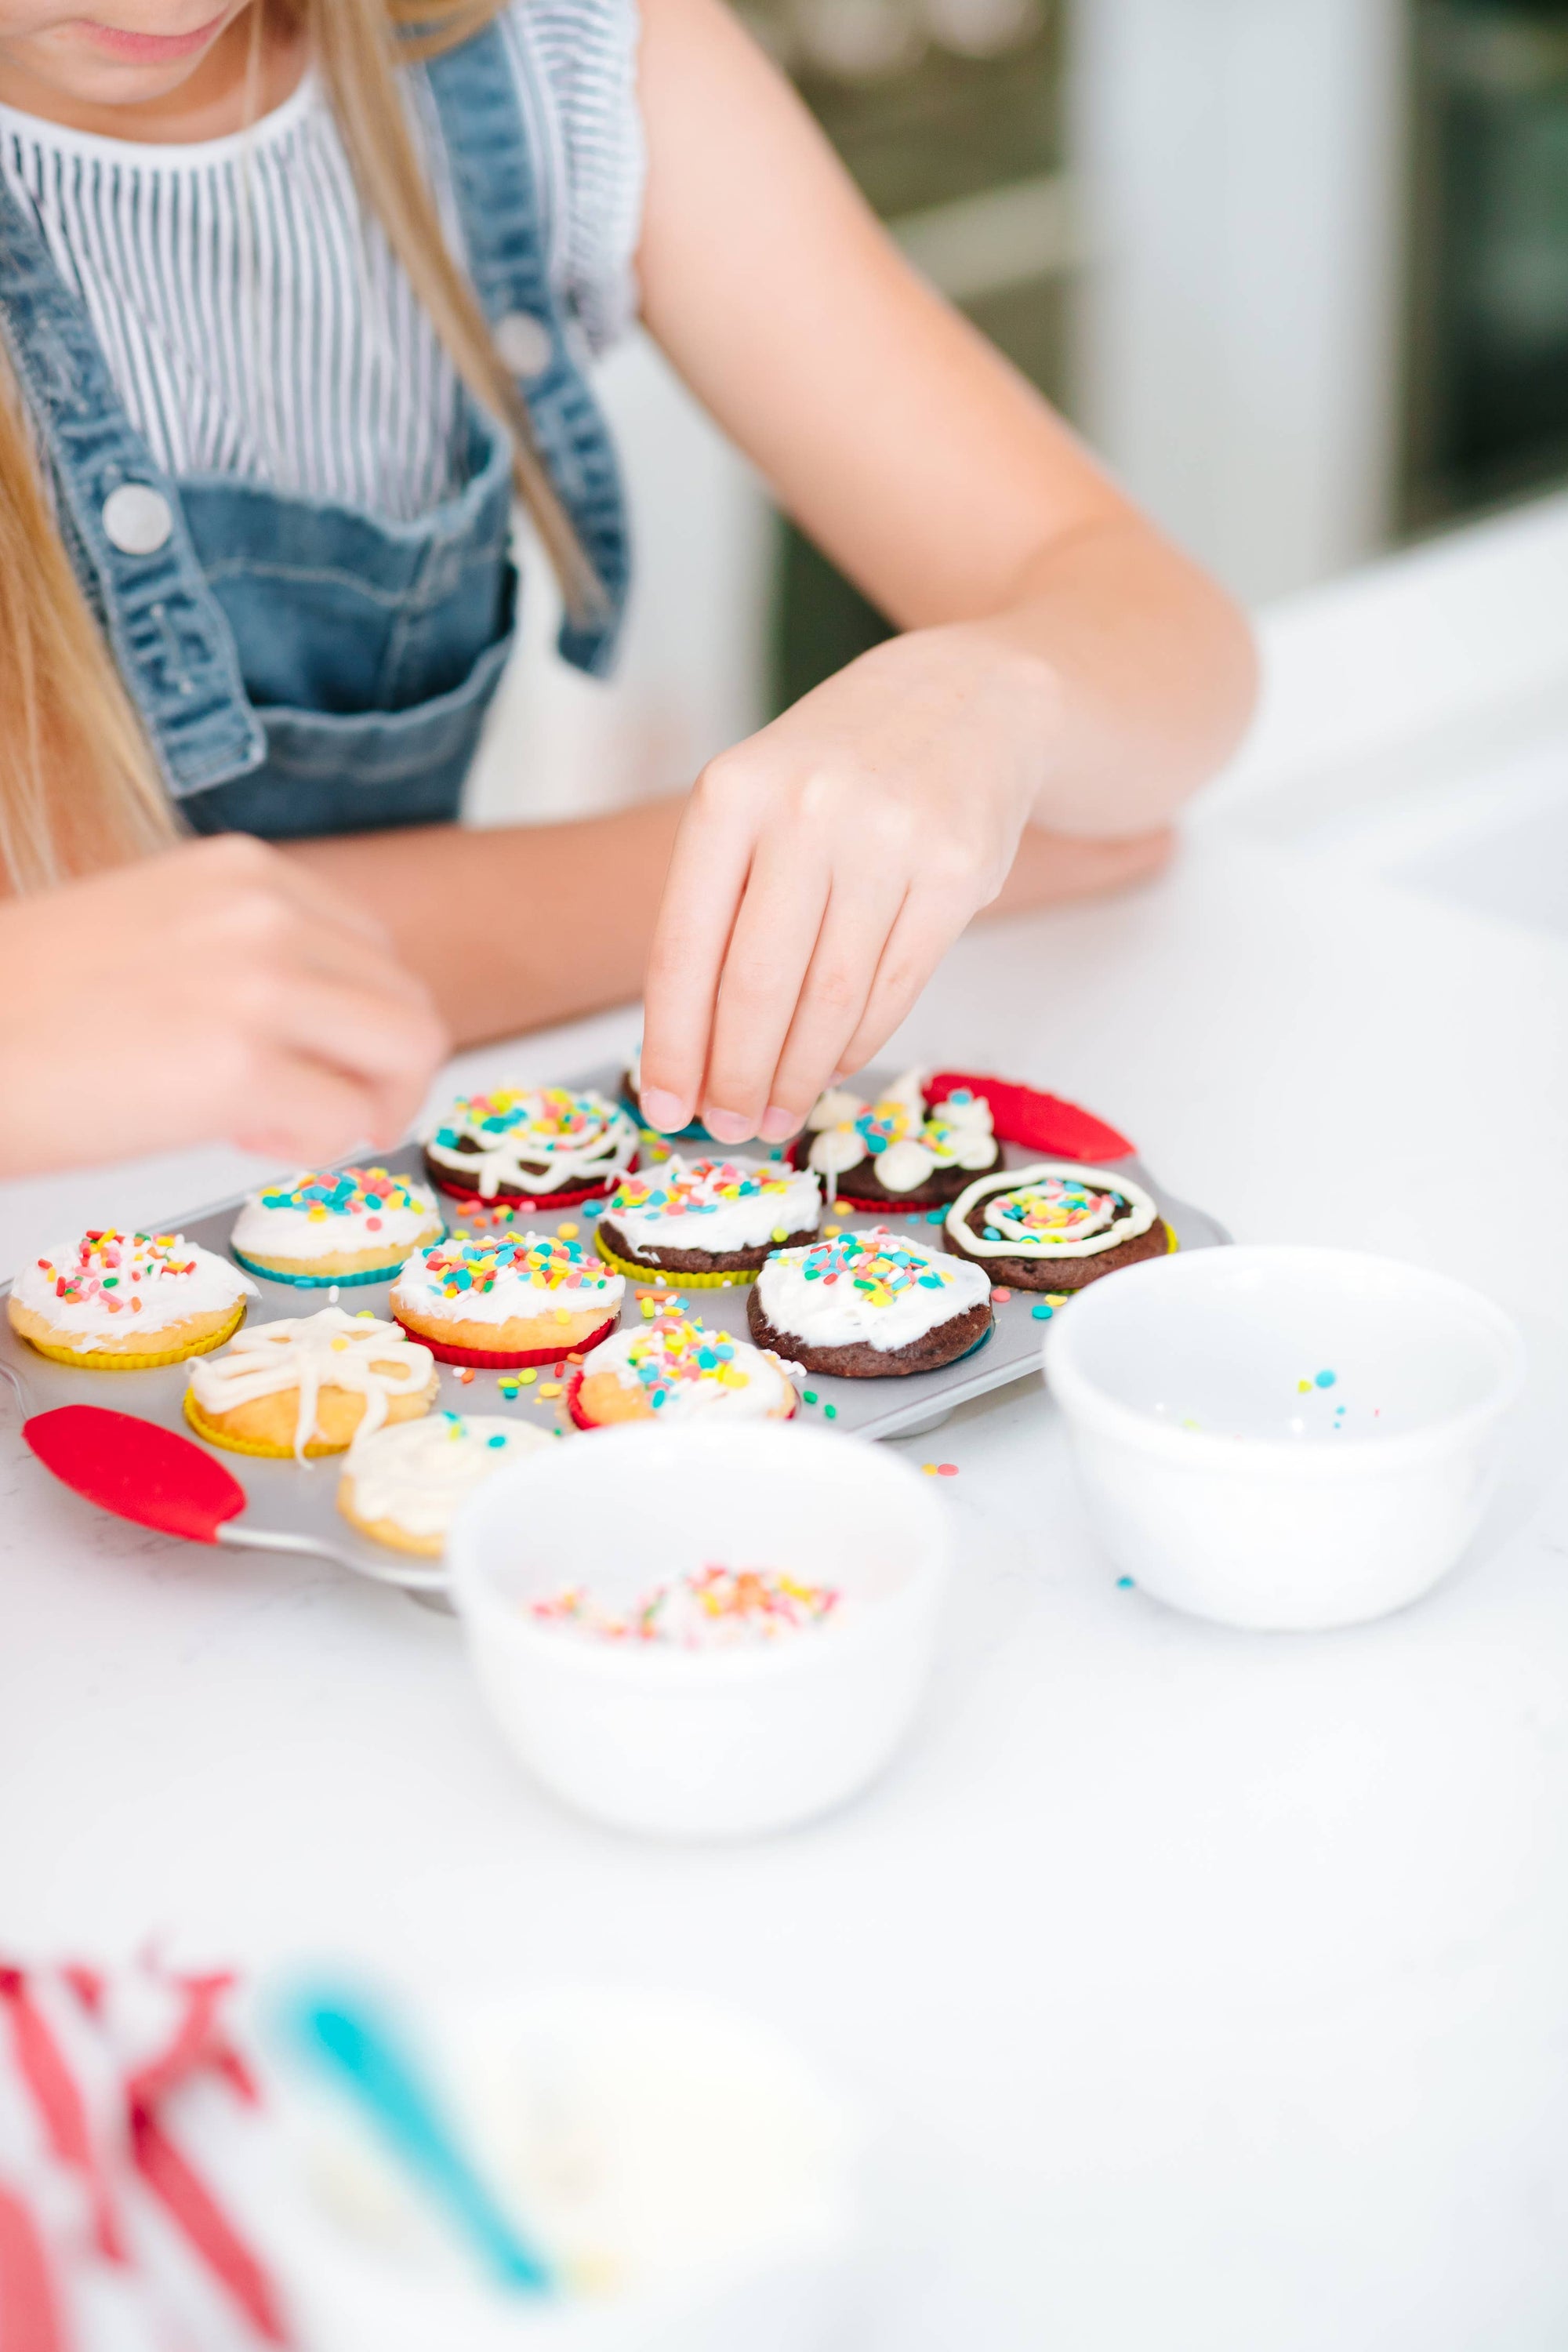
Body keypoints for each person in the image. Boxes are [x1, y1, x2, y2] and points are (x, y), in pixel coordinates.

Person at [0, 0, 1255, 1181]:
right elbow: (117, 955)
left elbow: (1163, 643)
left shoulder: (548, 49)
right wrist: (755, 890)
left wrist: (996, 700)